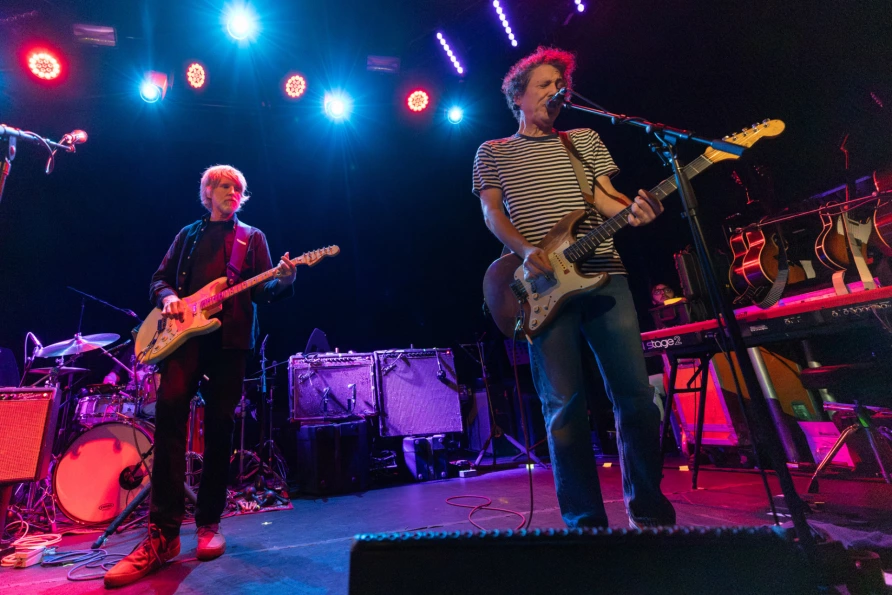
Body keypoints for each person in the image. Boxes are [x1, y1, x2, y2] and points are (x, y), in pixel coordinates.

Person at [473, 47, 676, 529]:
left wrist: (639, 210)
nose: (553, 92)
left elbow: (606, 199)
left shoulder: (582, 138)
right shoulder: (493, 151)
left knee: (636, 398)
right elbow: (491, 213)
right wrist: (526, 252)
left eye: (558, 85)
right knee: (565, 408)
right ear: (517, 96)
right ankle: (585, 524)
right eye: (542, 85)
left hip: (606, 273)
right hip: (541, 284)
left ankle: (649, 510)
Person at [105, 165, 296, 588]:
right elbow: (159, 279)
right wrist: (171, 297)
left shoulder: (253, 238)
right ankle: (164, 535)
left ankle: (209, 523)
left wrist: (285, 279)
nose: (232, 192)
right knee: (171, 421)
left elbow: (264, 290)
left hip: (230, 342)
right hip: (183, 340)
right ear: (208, 192)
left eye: (239, 188)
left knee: (221, 431)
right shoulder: (188, 236)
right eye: (224, 186)